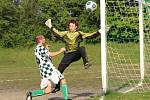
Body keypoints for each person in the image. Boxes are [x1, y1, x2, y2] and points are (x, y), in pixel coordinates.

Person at [45, 18, 101, 93]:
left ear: (76, 27)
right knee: (59, 71)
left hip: (76, 54)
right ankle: (57, 87)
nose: (71, 27)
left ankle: (86, 63)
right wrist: (50, 26)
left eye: (72, 26)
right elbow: (57, 33)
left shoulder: (79, 33)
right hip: (68, 55)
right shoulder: (65, 33)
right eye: (70, 26)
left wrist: (99, 32)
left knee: (82, 48)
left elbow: (90, 35)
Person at [26, 35, 69, 100]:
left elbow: (47, 58)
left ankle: (31, 94)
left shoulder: (36, 49)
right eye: (43, 38)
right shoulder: (41, 47)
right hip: (48, 69)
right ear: (40, 40)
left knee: (48, 90)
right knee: (62, 80)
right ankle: (66, 99)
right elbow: (51, 55)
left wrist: (47, 49)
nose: (44, 39)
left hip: (43, 71)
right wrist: (61, 50)